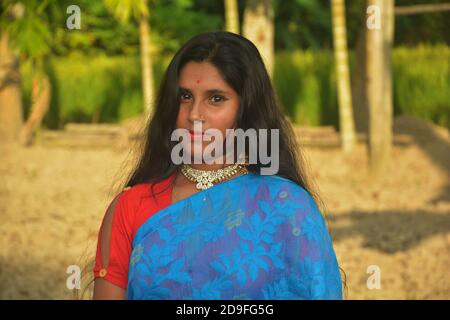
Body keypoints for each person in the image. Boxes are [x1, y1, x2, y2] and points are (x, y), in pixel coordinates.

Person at [92, 31, 343, 300]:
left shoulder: (288, 206)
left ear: (247, 108)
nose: (195, 115)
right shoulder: (131, 207)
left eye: (216, 99)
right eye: (185, 96)